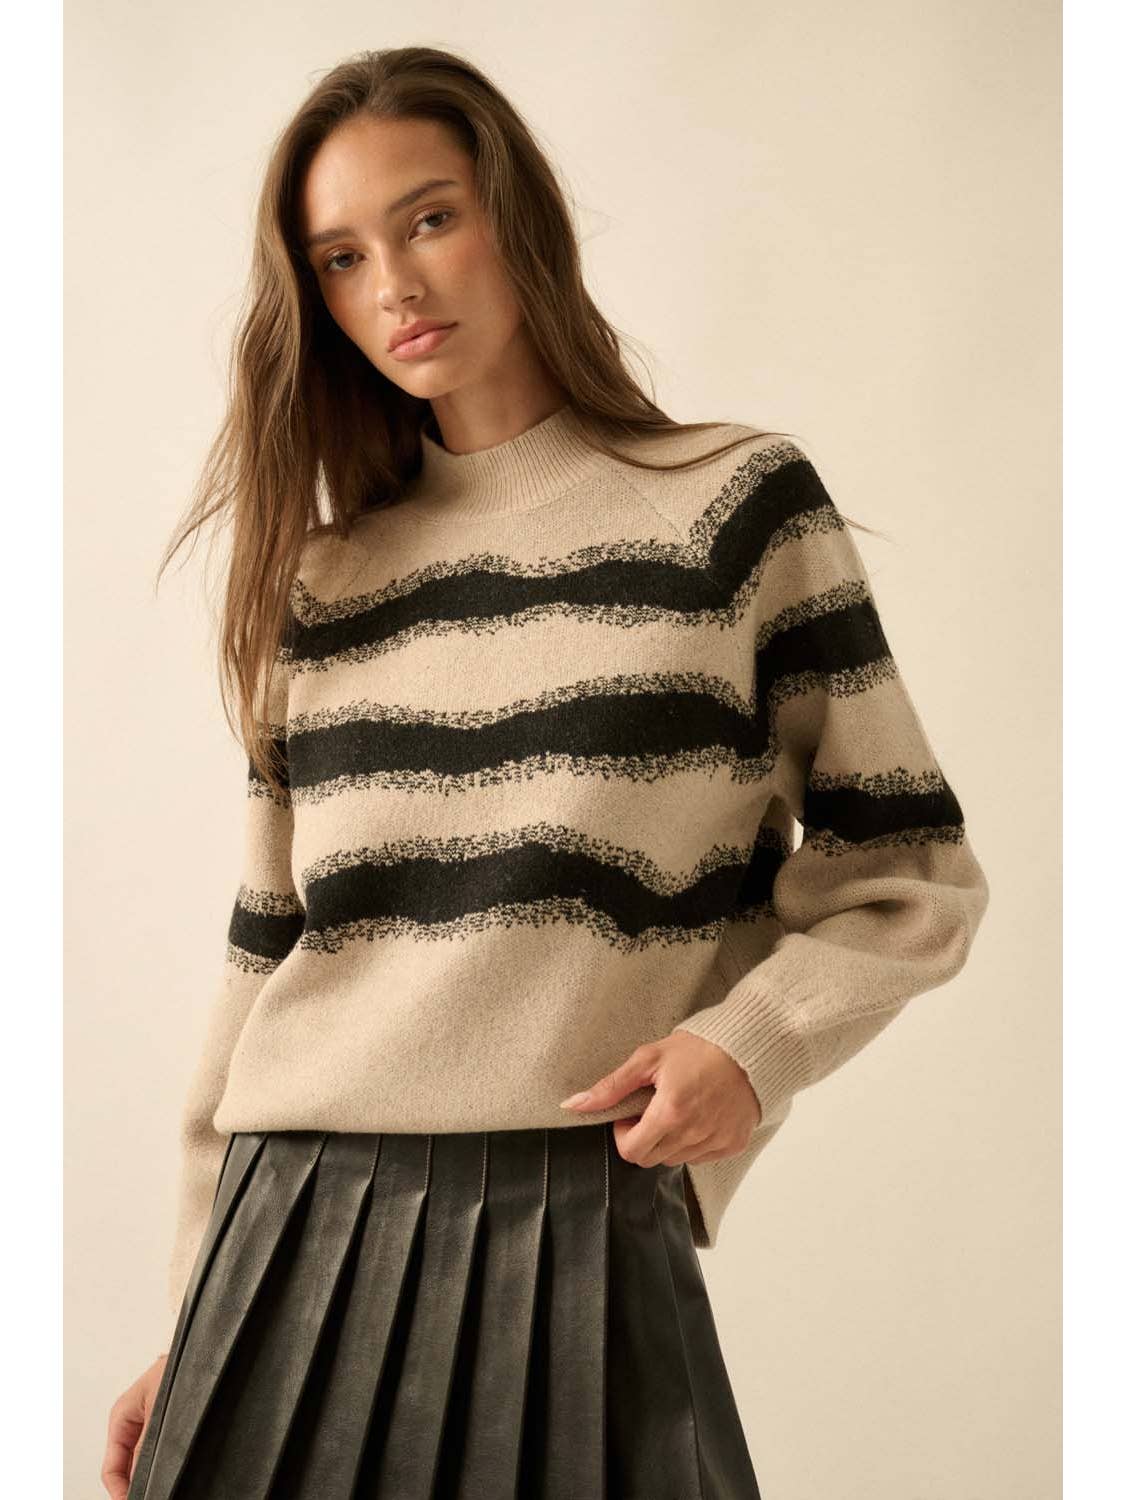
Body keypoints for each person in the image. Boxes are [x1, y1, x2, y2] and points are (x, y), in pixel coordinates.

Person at [102, 44, 990, 1500]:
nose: (395, 284)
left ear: (516, 214)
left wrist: (750, 1046)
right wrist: (200, 1313)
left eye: (429, 217)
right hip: (291, 1233)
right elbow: (266, 955)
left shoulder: (733, 509)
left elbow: (910, 875)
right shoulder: (323, 580)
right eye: (340, 258)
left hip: (577, 1222)